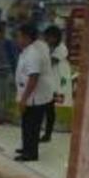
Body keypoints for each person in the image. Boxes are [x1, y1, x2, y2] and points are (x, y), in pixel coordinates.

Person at [14, 23, 54, 162]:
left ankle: (31, 153)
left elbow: (33, 78)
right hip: (30, 95)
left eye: (18, 36)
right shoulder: (28, 50)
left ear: (26, 37)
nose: (17, 39)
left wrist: (24, 99)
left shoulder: (33, 53)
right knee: (26, 124)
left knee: (32, 125)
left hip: (35, 97)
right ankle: (27, 147)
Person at [41, 25, 71, 143]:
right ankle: (46, 133)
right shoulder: (50, 47)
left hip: (58, 81)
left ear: (55, 37)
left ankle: (48, 134)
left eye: (48, 37)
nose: (47, 40)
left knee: (50, 108)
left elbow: (51, 62)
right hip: (50, 81)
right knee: (48, 108)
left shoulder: (61, 48)